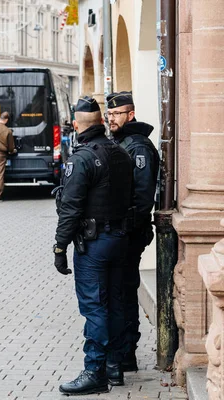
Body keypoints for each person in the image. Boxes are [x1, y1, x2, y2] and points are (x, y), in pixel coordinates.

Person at [53, 96, 134, 395]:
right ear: (101, 121)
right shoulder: (120, 153)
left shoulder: (82, 159)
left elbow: (70, 209)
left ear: (76, 125)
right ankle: (114, 366)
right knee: (113, 303)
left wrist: (60, 248)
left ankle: (95, 371)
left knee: (95, 307)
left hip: (94, 244)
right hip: (119, 239)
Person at [106, 91, 160, 373]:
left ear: (131, 114)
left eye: (117, 114)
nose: (112, 119)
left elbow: (142, 195)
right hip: (122, 232)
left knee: (125, 293)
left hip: (130, 233)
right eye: (109, 114)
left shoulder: (137, 146)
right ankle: (123, 352)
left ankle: (127, 353)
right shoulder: (121, 142)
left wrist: (130, 229)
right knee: (119, 292)